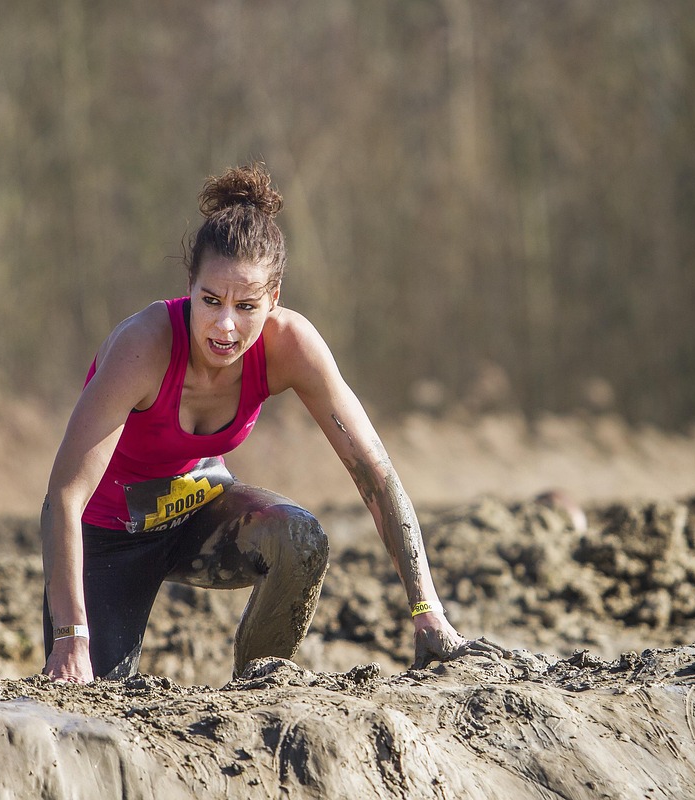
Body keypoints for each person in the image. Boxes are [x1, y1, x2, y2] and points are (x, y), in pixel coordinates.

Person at [40, 163, 495, 683]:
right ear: (190, 284)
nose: (225, 325)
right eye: (210, 301)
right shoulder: (143, 348)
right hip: (107, 536)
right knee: (93, 700)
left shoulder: (291, 346)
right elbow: (63, 498)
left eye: (247, 305)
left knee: (299, 539)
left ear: (273, 298)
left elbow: (375, 473)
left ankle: (255, 693)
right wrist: (70, 635)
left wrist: (427, 612)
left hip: (197, 509)